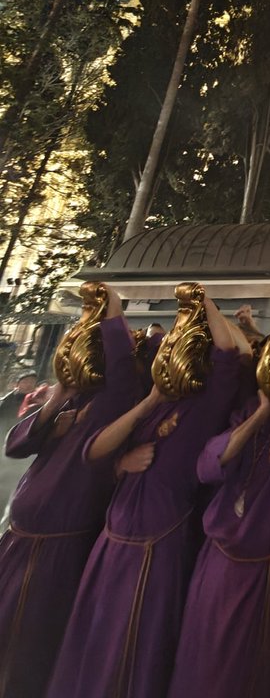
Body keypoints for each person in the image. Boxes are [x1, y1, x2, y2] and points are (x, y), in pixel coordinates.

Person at [47, 291, 243, 698]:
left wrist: (204, 302)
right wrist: (144, 414)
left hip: (157, 547)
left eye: (177, 346)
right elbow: (94, 451)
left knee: (135, 646)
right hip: (112, 541)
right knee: (94, 639)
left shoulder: (207, 406)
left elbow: (228, 352)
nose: (168, 353)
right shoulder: (150, 404)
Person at [168, 304, 270, 698]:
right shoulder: (244, 411)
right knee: (200, 664)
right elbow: (209, 466)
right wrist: (261, 413)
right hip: (217, 563)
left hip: (266, 577)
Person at [0, 290, 137, 698]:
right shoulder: (69, 398)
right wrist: (56, 395)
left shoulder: (115, 399)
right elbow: (16, 446)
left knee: (29, 646)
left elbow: (124, 364)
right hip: (17, 539)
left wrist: (111, 310)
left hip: (58, 550)